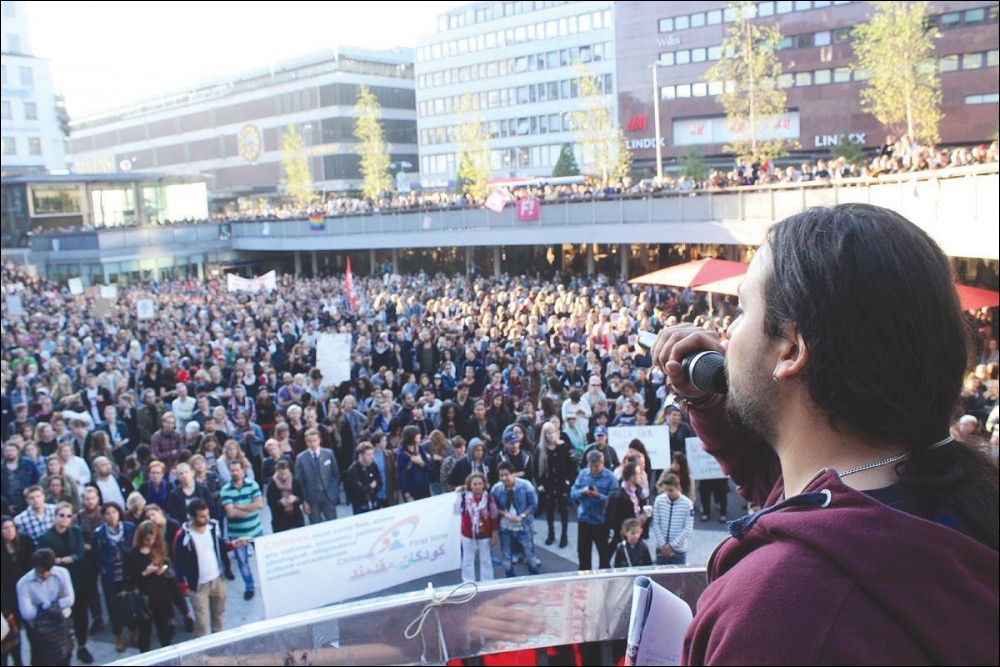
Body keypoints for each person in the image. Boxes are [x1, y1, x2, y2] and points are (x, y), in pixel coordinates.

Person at [648, 204, 999, 664]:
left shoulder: (778, 614)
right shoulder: (951, 494)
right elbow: (784, 482)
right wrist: (709, 401)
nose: (725, 333)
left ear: (792, 349)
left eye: (742, 308)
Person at [173, 499, 241, 638]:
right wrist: (183, 586)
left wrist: (233, 544)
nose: (206, 518)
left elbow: (219, 545)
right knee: (202, 624)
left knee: (218, 617)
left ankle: (218, 642)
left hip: (217, 580)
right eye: (202, 516)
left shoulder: (212, 527)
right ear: (192, 517)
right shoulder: (183, 536)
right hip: (198, 585)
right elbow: (178, 563)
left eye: (207, 514)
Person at [36, 502, 93, 663]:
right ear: (55, 517)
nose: (65, 519)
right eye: (62, 515)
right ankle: (65, 649)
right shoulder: (45, 537)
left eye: (69, 516)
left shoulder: (76, 531)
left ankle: (82, 646)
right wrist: (64, 560)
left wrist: (67, 559)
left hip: (79, 579)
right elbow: (49, 559)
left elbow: (80, 553)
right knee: (63, 617)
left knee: (81, 614)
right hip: (58, 582)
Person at [15, 548, 73, 666]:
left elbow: (69, 600)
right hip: (39, 630)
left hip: (62, 625)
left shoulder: (62, 574)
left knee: (65, 659)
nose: (46, 575)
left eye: (49, 571)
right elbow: (27, 613)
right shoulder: (23, 584)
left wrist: (40, 608)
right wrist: (55, 603)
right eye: (41, 572)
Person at [124, 520, 174, 653]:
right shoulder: (132, 554)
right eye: (147, 539)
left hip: (161, 595)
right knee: (145, 631)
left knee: (164, 628)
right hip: (144, 598)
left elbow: (167, 562)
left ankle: (167, 654)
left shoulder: (158, 549)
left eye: (152, 538)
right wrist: (145, 572)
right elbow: (128, 578)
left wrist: (163, 568)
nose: (150, 542)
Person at [92, 502, 136, 653]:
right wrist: (103, 568)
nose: (111, 516)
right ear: (104, 516)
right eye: (108, 513)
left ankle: (134, 631)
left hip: (127, 574)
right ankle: (118, 635)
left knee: (131, 604)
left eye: (114, 512)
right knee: (113, 607)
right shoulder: (99, 533)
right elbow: (96, 555)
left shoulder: (129, 528)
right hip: (110, 576)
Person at [220, 460, 263, 601]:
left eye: (237, 470)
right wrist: (251, 507)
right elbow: (231, 513)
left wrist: (238, 506)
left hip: (256, 530)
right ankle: (250, 587)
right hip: (237, 535)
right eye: (232, 470)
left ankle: (268, 583)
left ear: (242, 471)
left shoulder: (252, 484)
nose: (235, 473)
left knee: (263, 558)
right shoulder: (225, 490)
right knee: (243, 563)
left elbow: (260, 504)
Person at [490, 462, 540, 577]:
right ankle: (510, 579)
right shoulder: (496, 489)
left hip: (523, 525)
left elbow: (533, 504)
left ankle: (534, 577)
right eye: (501, 475)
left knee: (529, 554)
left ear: (513, 474)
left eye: (506, 475)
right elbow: (492, 507)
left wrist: (522, 516)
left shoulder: (525, 486)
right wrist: (505, 514)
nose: (504, 478)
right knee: (507, 556)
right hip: (505, 527)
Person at [569, 450, 617, 570]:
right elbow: (572, 493)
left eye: (596, 466)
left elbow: (614, 501)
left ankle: (604, 577)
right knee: (583, 553)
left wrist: (598, 496)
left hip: (601, 521)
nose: (593, 469)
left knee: (604, 554)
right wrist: (582, 492)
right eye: (591, 466)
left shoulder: (611, 478)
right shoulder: (583, 474)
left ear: (603, 463)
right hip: (584, 519)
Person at [456, 472, 497, 582]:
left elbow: (494, 517)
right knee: (467, 560)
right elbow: (455, 510)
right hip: (467, 534)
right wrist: (458, 492)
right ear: (470, 485)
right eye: (474, 484)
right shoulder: (464, 498)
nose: (477, 486)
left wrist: (494, 534)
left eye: (480, 483)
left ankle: (487, 582)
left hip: (485, 534)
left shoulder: (489, 499)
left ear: (484, 485)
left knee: (486, 559)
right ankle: (468, 582)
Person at [293, 428, 340, 523]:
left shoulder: (328, 454)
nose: (312, 444)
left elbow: (335, 474)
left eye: (314, 440)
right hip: (311, 497)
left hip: (328, 494)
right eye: (309, 441)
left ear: (319, 440)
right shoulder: (300, 458)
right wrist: (304, 501)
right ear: (306, 442)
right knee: (315, 523)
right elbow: (299, 481)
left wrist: (334, 490)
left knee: (333, 522)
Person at [650, 472, 694, 565]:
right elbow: (655, 523)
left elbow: (688, 528)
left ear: (678, 487)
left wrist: (671, 546)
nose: (667, 493)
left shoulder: (687, 504)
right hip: (661, 548)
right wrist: (663, 544)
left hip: (679, 550)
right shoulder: (659, 500)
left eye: (670, 490)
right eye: (665, 490)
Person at [264, 461, 305, 532]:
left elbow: (302, 497)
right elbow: (269, 502)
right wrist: (279, 502)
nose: (284, 476)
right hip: (279, 520)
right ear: (277, 472)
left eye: (286, 473)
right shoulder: (272, 485)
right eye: (281, 474)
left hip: (296, 517)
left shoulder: (295, 482)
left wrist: (295, 498)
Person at [344, 443, 382, 515]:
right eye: (368, 455)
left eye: (372, 454)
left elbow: (379, 483)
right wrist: (370, 486)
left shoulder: (373, 466)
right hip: (360, 507)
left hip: (374, 503)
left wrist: (370, 487)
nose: (371, 457)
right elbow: (358, 490)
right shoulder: (353, 470)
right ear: (360, 456)